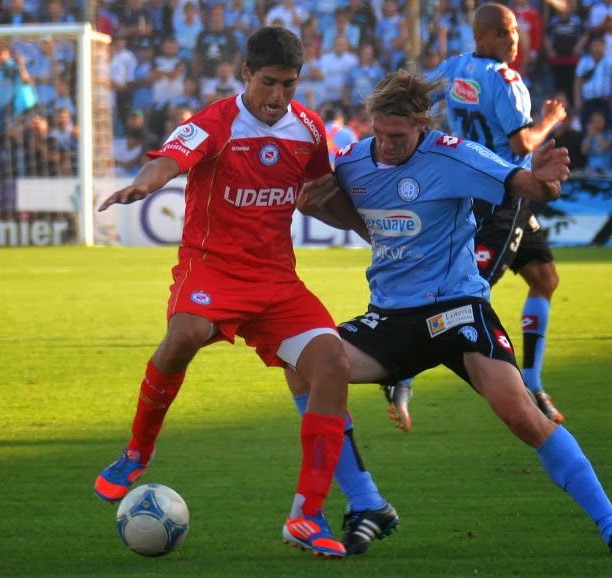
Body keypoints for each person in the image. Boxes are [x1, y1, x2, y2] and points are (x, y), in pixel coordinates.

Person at [289, 68, 612, 557]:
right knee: (301, 363)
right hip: (391, 318)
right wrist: (316, 210)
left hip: (457, 309)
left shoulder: (452, 155)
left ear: (422, 126)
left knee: (522, 416)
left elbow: (523, 183)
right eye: (380, 133)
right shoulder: (354, 163)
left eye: (398, 137)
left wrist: (546, 182)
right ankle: (367, 501)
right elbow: (365, 226)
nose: (388, 146)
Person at [94, 27, 385, 559]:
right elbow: (169, 159)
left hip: (276, 282)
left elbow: (321, 196)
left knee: (331, 366)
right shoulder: (215, 122)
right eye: (268, 83)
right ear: (245, 74)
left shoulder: (309, 129)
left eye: (289, 85)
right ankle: (137, 451)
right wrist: (146, 182)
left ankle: (308, 515)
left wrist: (373, 234)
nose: (277, 98)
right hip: (211, 269)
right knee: (183, 336)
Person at [387, 2, 566, 433]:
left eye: (514, 32)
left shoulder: (455, 67)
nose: (512, 40)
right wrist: (550, 120)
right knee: (468, 293)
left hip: (468, 184)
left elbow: (418, 94)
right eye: (502, 33)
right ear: (481, 37)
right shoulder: (507, 81)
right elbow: (523, 145)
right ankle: (402, 371)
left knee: (544, 277)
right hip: (504, 194)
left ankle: (535, 382)